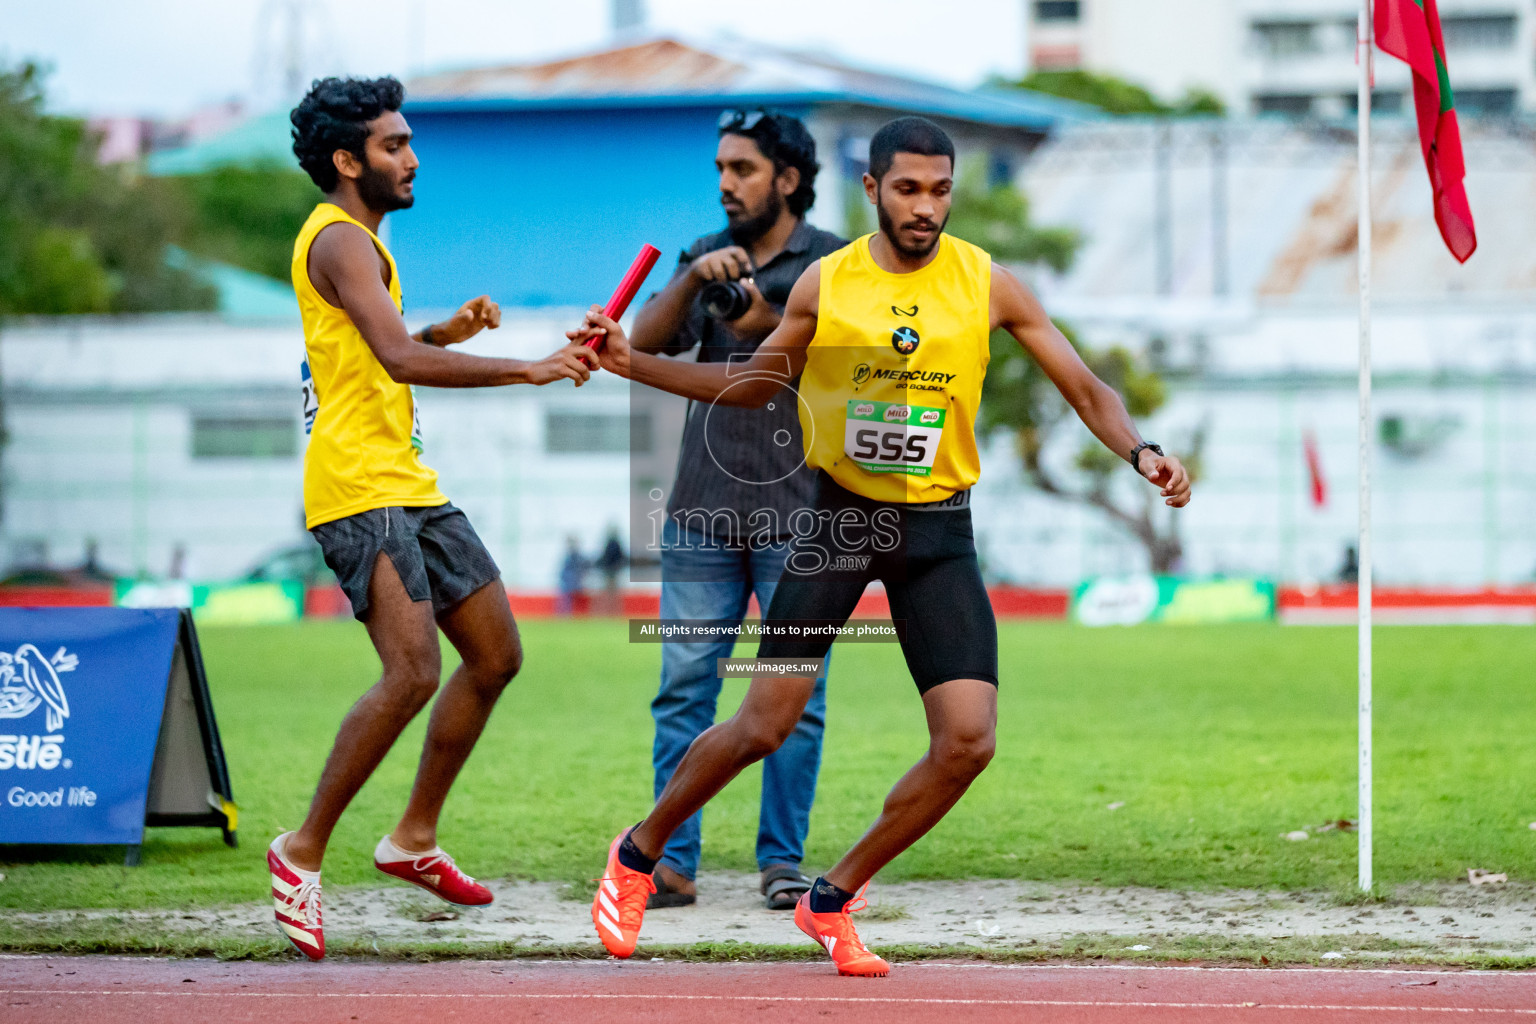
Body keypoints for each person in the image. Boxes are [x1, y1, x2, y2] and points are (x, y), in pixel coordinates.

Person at [573, 117, 1192, 976]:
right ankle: (638, 853)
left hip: (936, 529)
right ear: (872, 190)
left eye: (941, 190)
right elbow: (754, 384)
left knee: (969, 741)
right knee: (762, 724)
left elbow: (1085, 386)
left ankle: (832, 900)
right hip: (837, 523)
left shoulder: (987, 283)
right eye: (909, 189)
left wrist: (1141, 450)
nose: (926, 206)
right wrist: (630, 365)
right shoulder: (828, 284)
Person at [267, 76, 597, 961]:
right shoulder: (340, 242)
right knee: (411, 671)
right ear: (348, 161)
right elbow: (394, 358)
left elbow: (377, 352)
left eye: (410, 142)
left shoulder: (364, 246)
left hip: (406, 480)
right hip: (357, 489)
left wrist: (449, 332)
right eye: (393, 146)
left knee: (495, 655)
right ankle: (299, 853)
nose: (413, 158)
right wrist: (525, 367)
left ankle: (411, 837)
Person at [626, 109, 846, 911]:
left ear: (787, 178)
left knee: (794, 695)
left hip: (803, 512)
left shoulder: (836, 264)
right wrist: (690, 279)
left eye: (744, 168)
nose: (726, 182)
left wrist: (753, 306)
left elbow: (797, 357)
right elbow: (641, 344)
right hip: (702, 511)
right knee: (686, 685)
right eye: (721, 167)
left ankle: (782, 863)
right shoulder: (700, 257)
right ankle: (670, 862)